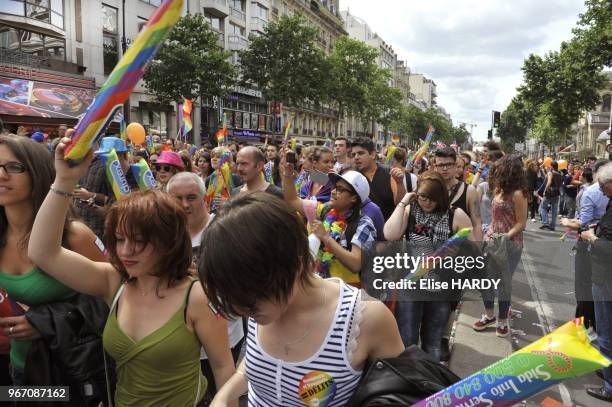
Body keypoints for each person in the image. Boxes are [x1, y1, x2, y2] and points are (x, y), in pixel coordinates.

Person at [28, 139, 237, 406]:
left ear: (168, 240)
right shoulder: (113, 282)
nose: (126, 251)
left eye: (139, 241)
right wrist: (64, 180)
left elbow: (222, 368)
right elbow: (42, 253)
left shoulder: (195, 296)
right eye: (119, 239)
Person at [199, 192, 404, 406]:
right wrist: (225, 394)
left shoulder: (365, 318)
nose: (241, 310)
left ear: (294, 266)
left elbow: (402, 393)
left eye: (250, 302)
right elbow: (255, 364)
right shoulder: (258, 301)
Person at [0, 134, 106, 386]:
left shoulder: (75, 236)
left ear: (37, 174)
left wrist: (47, 321)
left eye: (13, 167)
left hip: (72, 375)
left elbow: (119, 298)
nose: (2, 175)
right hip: (19, 371)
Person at [167, 172, 245, 403]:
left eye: (191, 197)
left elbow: (246, 283)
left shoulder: (225, 230)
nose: (184, 204)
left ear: (204, 198)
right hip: (179, 340)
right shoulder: (164, 233)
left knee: (218, 396)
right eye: (177, 198)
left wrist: (207, 276)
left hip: (223, 336)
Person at [384, 171, 473, 359]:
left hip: (440, 288)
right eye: (423, 197)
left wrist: (456, 254)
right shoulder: (411, 211)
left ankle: (429, 383)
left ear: (441, 197)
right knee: (407, 339)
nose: (427, 203)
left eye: (432, 199)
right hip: (410, 285)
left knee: (432, 342)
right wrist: (403, 202)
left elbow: (474, 251)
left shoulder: (456, 215)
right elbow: (390, 234)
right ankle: (409, 380)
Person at [283, 156, 377, 287]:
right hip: (319, 287)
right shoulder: (325, 210)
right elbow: (292, 200)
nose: (332, 192)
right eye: (334, 187)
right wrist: (287, 174)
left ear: (354, 198)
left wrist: (326, 238)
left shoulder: (364, 224)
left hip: (345, 293)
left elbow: (356, 264)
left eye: (340, 189)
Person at [473, 155, 527, 337]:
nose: (495, 172)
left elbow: (521, 223)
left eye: (498, 170)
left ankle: (502, 320)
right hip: (491, 240)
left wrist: (505, 237)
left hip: (510, 245)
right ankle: (489, 315)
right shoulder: (497, 189)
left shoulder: (518, 194)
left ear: (508, 171)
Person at [579, 162, 612, 402]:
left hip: (606, 278)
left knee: (606, 331)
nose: (600, 191)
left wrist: (592, 238)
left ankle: (610, 386)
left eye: (603, 186)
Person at [433, 147, 483, 241]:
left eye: (449, 164)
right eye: (441, 165)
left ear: (455, 165)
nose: (445, 168)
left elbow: (477, 224)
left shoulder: (469, 191)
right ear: (435, 167)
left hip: (462, 251)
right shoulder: (430, 189)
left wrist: (478, 250)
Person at [351, 137, 405, 221]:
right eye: (353, 154)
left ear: (372, 155)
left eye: (361, 153)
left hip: (388, 229)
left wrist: (400, 183)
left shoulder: (389, 173)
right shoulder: (352, 177)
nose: (356, 157)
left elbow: (400, 203)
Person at [539, 161, 563, 231]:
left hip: (549, 192)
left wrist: (545, 190)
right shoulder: (560, 173)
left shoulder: (551, 173)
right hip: (556, 193)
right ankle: (552, 225)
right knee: (554, 210)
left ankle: (545, 223)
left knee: (543, 207)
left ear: (552, 166)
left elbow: (549, 182)